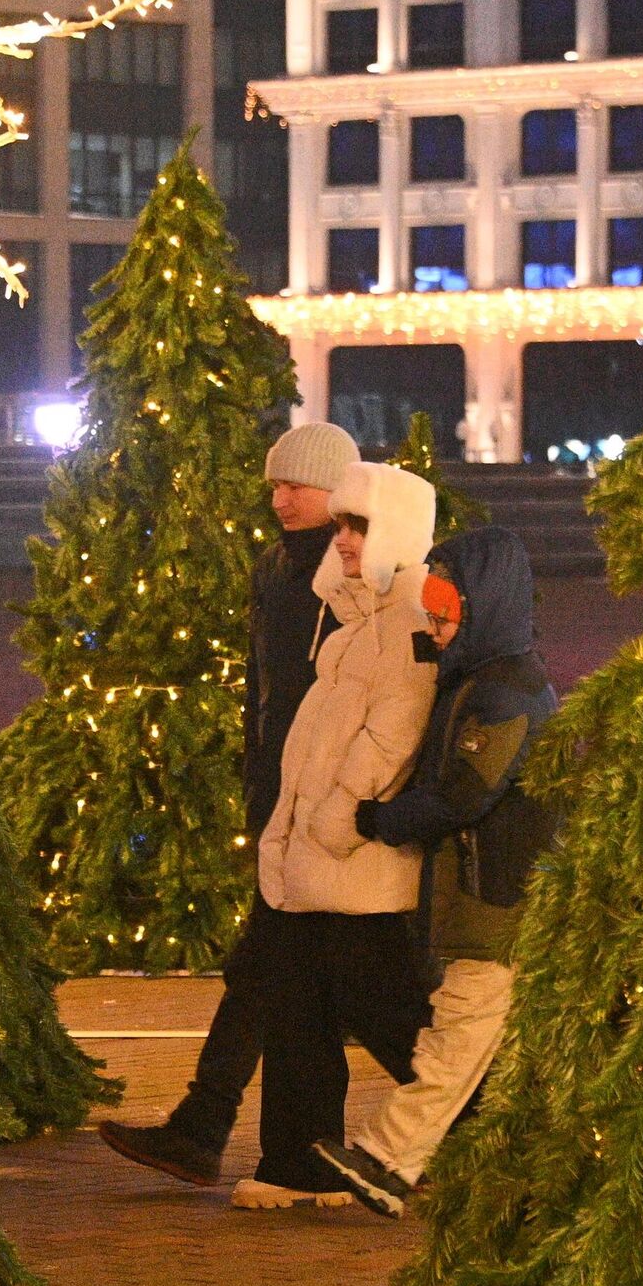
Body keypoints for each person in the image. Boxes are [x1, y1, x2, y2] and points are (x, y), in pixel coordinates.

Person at [97, 423, 359, 1186]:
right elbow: (262, 689)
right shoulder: (274, 569)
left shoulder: (358, 571)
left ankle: (208, 1126)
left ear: (336, 489)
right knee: (280, 970)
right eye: (275, 485)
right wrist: (259, 782)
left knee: (295, 971)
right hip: (283, 801)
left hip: (332, 807)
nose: (280, 499)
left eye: (296, 486)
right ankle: (211, 1128)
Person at [312, 526, 557, 1217]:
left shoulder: (505, 693)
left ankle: (388, 1160)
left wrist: (378, 820)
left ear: (484, 607)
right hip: (491, 897)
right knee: (483, 1044)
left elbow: (463, 795)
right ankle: (518, 1178)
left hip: (496, 899)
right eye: (432, 608)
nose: (435, 626)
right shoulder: (482, 681)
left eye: (447, 611)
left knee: (458, 1036)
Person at [242, 460, 440, 1209]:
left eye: (359, 526)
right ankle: (296, 1162)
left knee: (386, 1010)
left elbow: (395, 731)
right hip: (317, 855)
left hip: (353, 857)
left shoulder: (407, 616)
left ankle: (497, 1129)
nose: (345, 540)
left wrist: (336, 816)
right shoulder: (356, 617)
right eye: (343, 526)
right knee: (299, 1005)